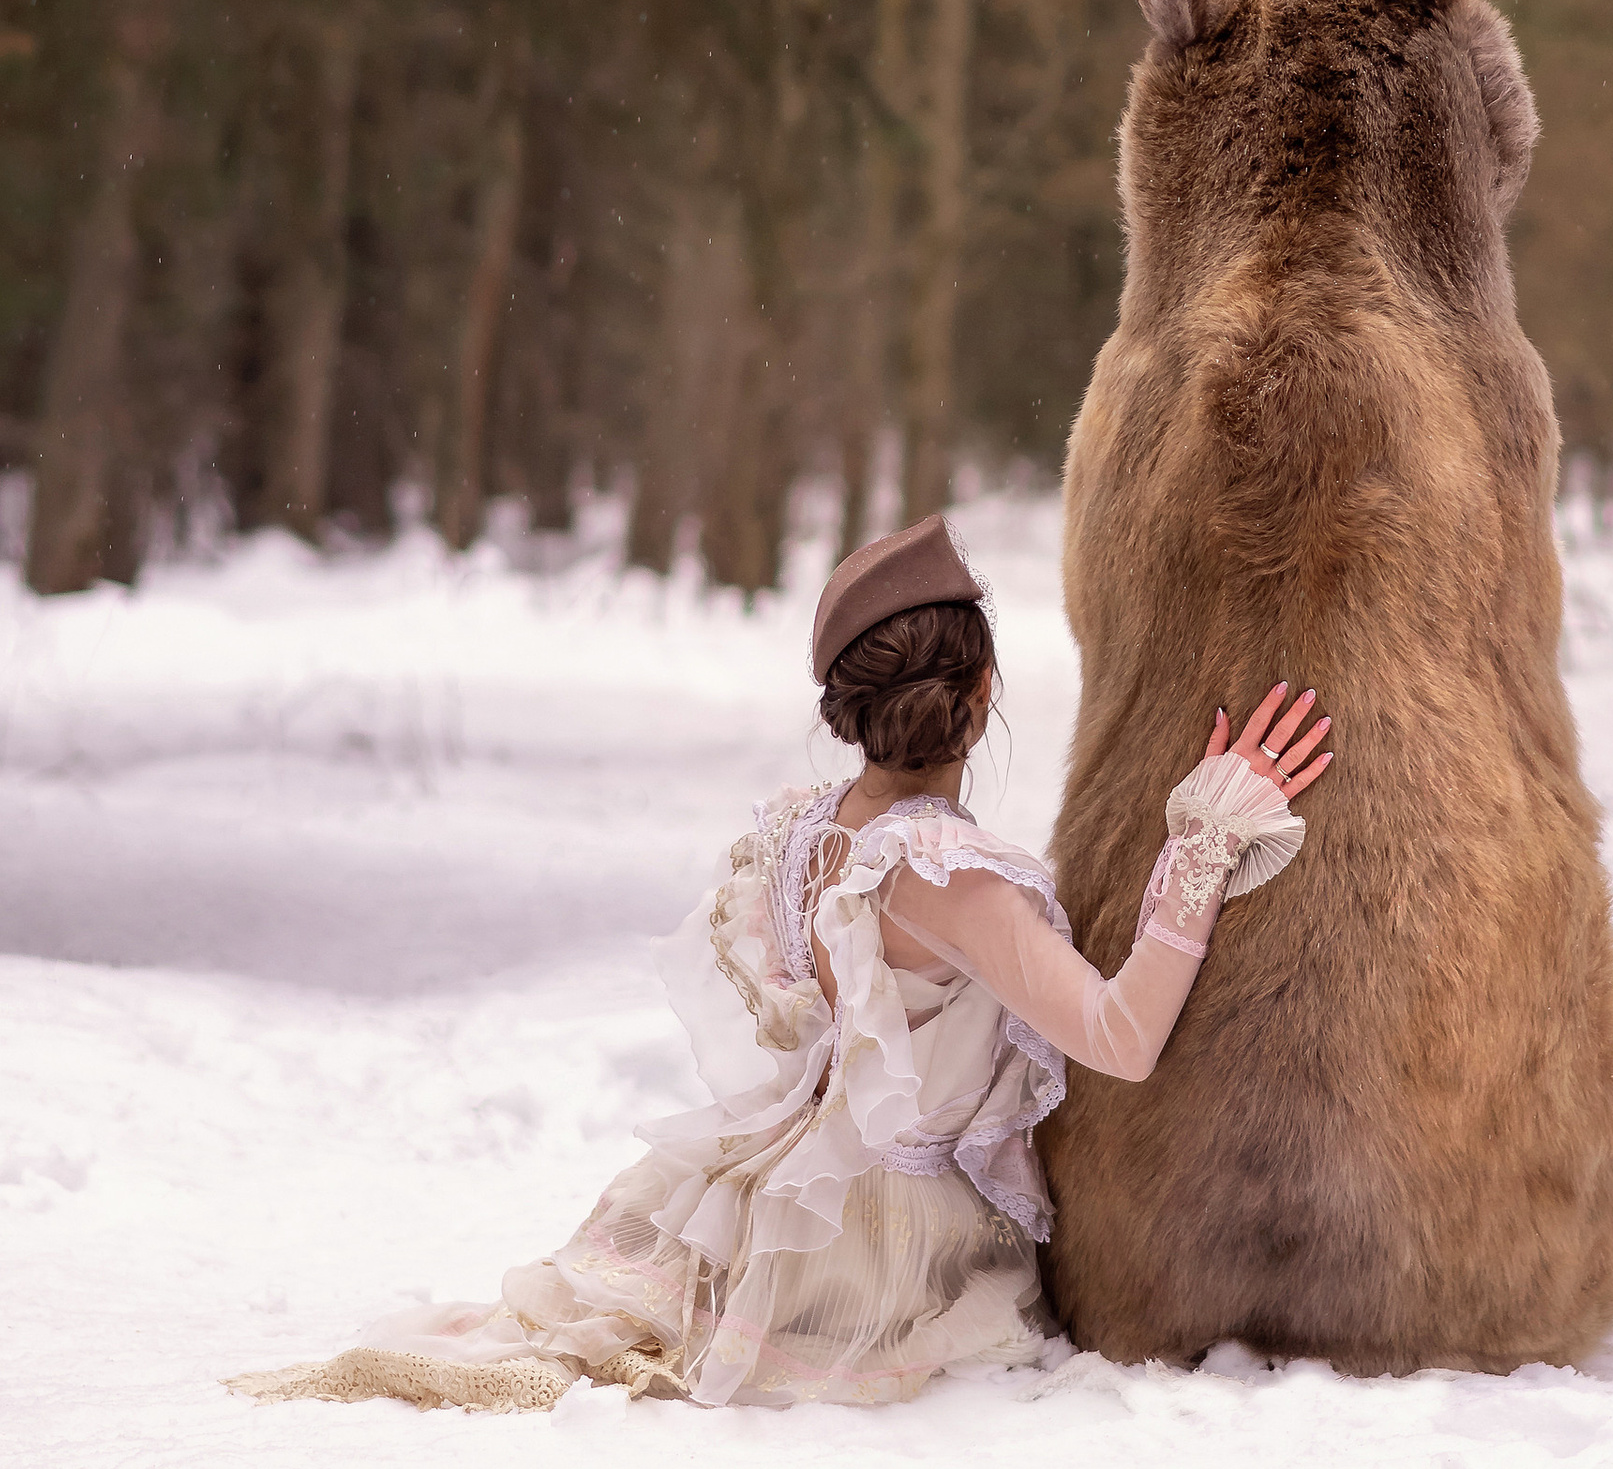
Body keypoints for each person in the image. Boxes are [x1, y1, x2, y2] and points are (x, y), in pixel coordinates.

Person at [230, 515, 1332, 1412]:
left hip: (790, 1180)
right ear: (983, 690)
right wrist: (1201, 844)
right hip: (885, 1239)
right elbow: (1121, 1040)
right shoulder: (956, 879)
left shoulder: (811, 831)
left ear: (847, 711)